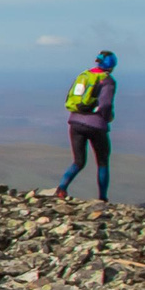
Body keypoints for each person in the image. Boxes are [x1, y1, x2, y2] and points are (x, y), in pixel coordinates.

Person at [55, 50, 116, 202]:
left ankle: (61, 188)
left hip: (75, 122)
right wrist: (108, 117)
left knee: (78, 161)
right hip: (96, 125)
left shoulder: (85, 75)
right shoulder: (107, 80)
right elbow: (106, 104)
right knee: (102, 162)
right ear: (112, 65)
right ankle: (102, 197)